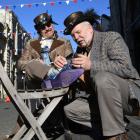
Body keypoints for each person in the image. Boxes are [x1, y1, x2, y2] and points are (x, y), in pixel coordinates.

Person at [61, 9, 140, 140]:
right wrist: (63, 63)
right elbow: (75, 68)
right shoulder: (81, 50)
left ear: (90, 29)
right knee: (71, 110)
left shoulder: (111, 38)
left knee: (102, 78)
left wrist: (92, 65)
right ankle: (121, 127)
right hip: (101, 99)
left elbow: (126, 68)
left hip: (128, 96)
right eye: (73, 35)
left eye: (78, 33)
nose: (76, 38)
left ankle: (115, 135)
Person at [18, 12, 74, 89]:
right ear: (39, 30)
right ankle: (50, 73)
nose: (47, 28)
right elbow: (21, 63)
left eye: (48, 25)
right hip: (38, 83)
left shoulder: (65, 42)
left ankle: (53, 74)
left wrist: (62, 61)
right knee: (32, 64)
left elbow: (71, 61)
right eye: (43, 27)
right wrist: (36, 63)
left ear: (52, 25)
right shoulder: (30, 43)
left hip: (59, 80)